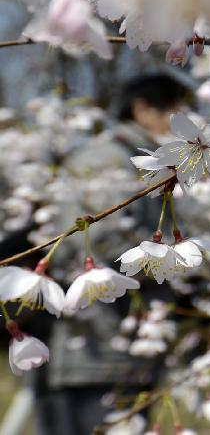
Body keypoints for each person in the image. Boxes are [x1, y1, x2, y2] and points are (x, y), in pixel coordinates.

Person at [0, 74, 191, 435]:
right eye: (176, 109)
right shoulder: (110, 157)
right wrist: (174, 266)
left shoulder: (144, 160)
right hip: (95, 348)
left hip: (116, 347)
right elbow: (102, 240)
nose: (183, 119)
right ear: (143, 109)